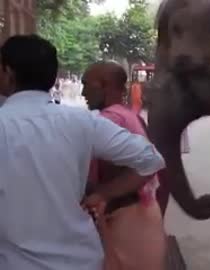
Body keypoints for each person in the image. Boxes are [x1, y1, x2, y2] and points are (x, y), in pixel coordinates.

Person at [0, 34, 166, 270]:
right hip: (81, 260)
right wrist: (105, 193)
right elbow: (151, 159)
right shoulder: (83, 122)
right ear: (52, 76)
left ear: (8, 73)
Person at [83, 61, 167, 270]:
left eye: (87, 85)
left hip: (127, 221)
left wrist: (102, 193)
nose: (83, 92)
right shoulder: (130, 115)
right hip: (143, 215)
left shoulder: (108, 119)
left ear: (105, 86)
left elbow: (150, 164)